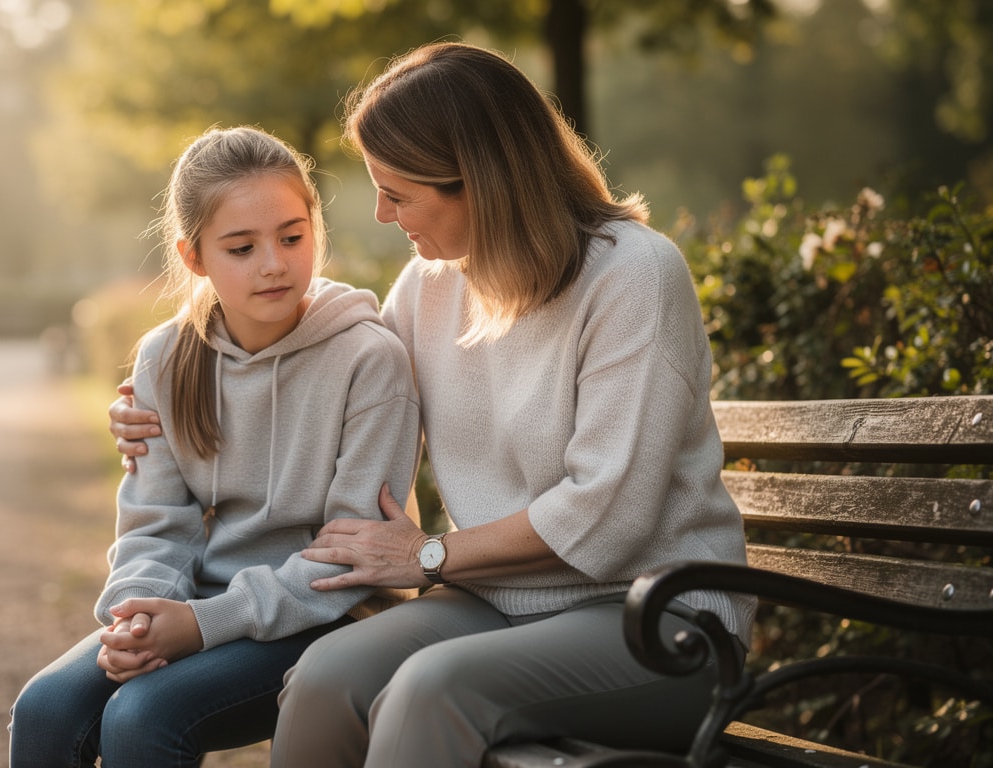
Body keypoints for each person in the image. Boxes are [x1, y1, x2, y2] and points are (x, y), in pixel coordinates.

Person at [109, 43, 757, 768]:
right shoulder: (429, 287)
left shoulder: (634, 276)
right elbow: (333, 369)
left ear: (478, 183)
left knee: (431, 689)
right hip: (494, 604)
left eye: (399, 192)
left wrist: (430, 555)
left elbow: (609, 515)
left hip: (654, 621)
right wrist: (158, 395)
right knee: (325, 678)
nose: (383, 215)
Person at [9, 126, 422, 768]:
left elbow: (351, 558)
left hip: (329, 614)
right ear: (194, 256)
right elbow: (155, 524)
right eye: (241, 247)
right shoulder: (167, 358)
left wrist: (203, 625)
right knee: (45, 710)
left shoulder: (369, 361)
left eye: (292, 236)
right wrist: (135, 620)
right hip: (199, 604)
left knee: (142, 717)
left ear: (316, 228)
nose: (274, 264)